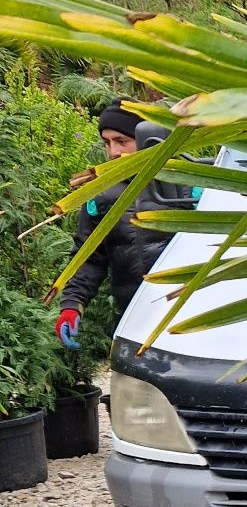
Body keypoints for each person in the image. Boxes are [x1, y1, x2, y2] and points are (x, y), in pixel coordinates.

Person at [53, 101, 189, 347]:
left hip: (190, 314)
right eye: (107, 143)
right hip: (134, 318)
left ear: (148, 138)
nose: (113, 152)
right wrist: (72, 305)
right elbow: (89, 256)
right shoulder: (101, 194)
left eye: (121, 141)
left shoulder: (188, 184)